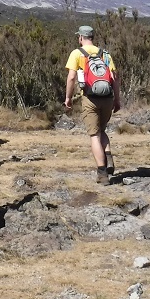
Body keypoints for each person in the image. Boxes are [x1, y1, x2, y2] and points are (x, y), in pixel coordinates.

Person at [64, 25, 121, 184]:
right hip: (108, 98)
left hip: (90, 99)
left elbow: (71, 78)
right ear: (93, 37)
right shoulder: (105, 54)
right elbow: (115, 78)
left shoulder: (77, 53)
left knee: (94, 135)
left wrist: (68, 98)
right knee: (101, 130)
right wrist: (117, 99)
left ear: (80, 38)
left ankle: (102, 173)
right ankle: (108, 157)